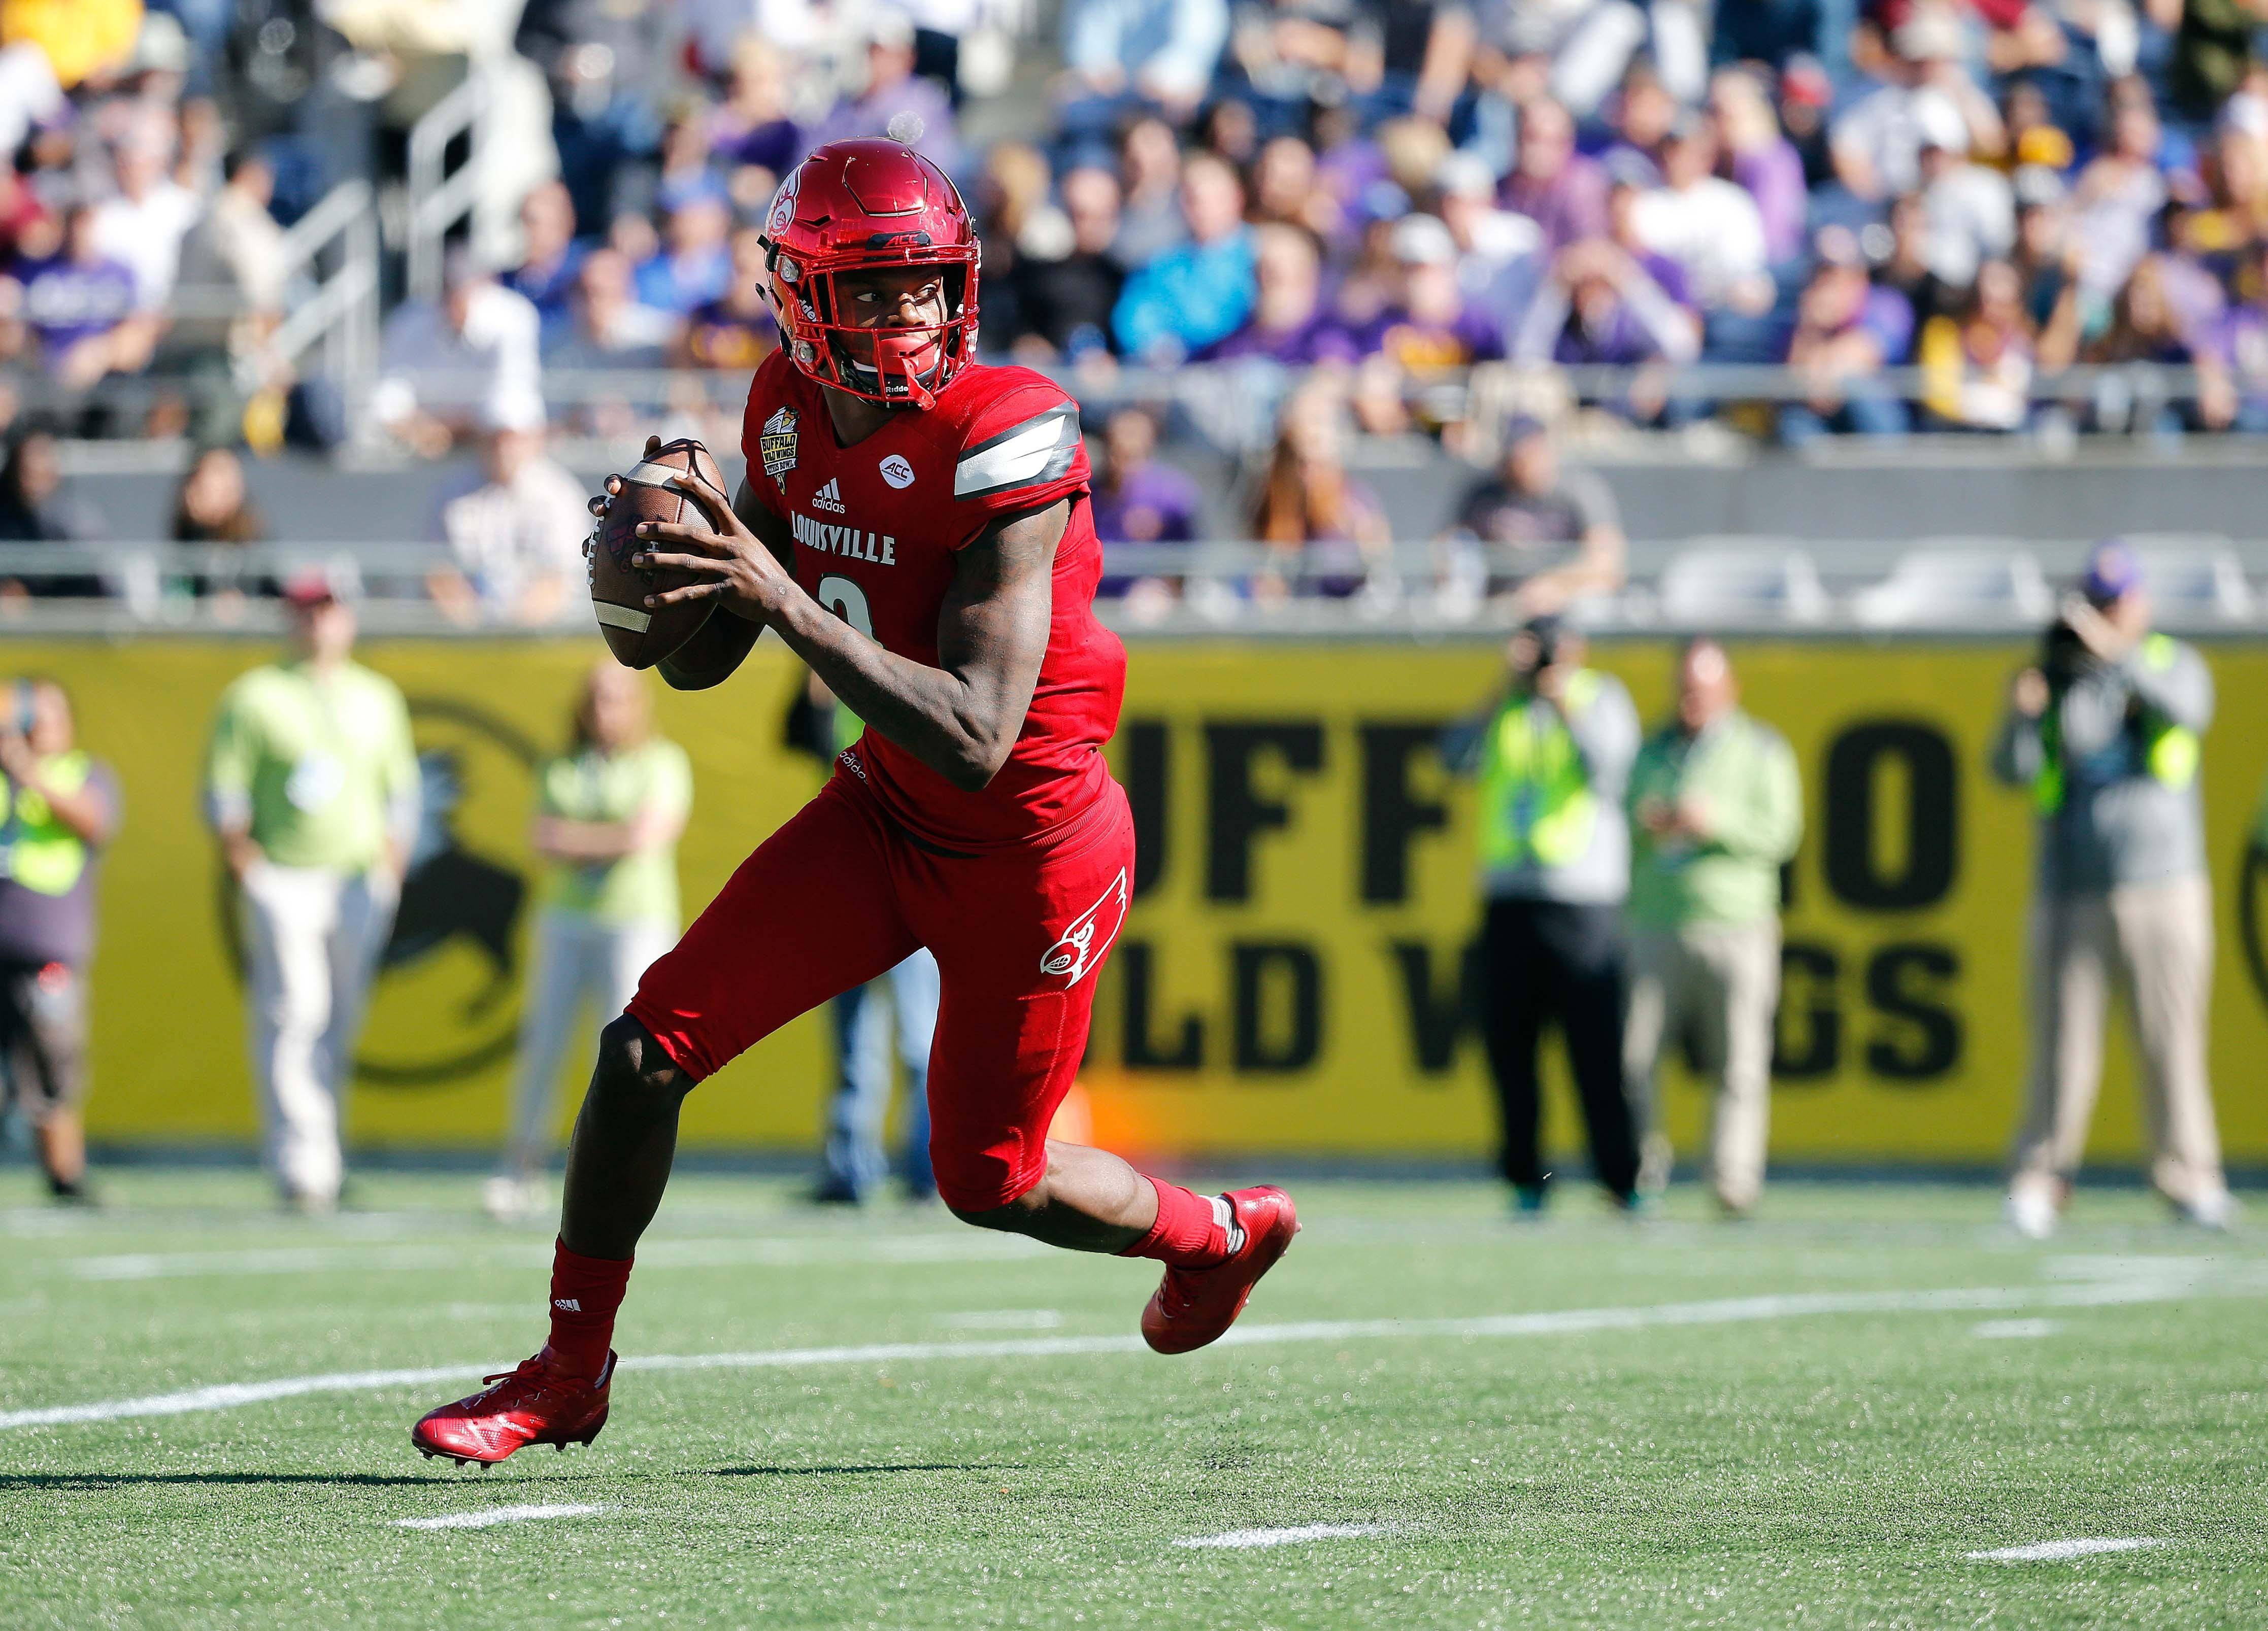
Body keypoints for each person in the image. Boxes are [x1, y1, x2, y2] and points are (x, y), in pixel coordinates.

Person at [412, 140, 1299, 1466]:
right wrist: (679, 566)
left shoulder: (1009, 429)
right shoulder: (781, 407)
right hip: (884, 812)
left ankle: (1216, 1235)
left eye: (927, 284)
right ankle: (567, 1369)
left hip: (1032, 852)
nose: (911, 313)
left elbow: (978, 734)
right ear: (801, 298)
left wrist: (769, 589)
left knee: (989, 1180)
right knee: (644, 1050)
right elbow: (703, 662)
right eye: (875, 289)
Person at [1990, 542, 2235, 1238]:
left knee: (2172, 1043)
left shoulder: (2170, 661)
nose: (2101, 616)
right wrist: (2023, 712)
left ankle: (2191, 1178)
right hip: (2072, 887)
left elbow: (2188, 712)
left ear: (2140, 604)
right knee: (2062, 1046)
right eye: (2094, 604)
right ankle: (2039, 1178)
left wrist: (2115, 653)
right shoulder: (2057, 676)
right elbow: (2009, 770)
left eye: (2113, 602)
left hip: (2164, 884)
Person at [204, 575, 419, 1213]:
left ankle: (325, 1154)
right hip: (285, 877)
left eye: (328, 609)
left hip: (357, 881)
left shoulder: (377, 696)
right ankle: (302, 1164)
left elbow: (401, 793)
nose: (318, 622)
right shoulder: (254, 694)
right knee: (293, 1014)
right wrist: (249, 867)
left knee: (338, 1021)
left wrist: (389, 869)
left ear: (347, 618)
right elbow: (225, 791)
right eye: (306, 610)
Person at [1445, 616, 1643, 1216]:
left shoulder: (1599, 696)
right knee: (1511, 1051)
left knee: (1596, 1052)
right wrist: (1501, 687)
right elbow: (1453, 759)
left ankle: (1621, 1178)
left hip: (1582, 900)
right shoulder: (1506, 703)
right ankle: (1525, 1178)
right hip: (1509, 899)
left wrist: (1562, 703)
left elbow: (1612, 771)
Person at [486, 664, 691, 1222]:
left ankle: (622, 1178)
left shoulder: (662, 761)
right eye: (598, 698)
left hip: (635, 923)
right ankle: (521, 1168)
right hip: (564, 922)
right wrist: (612, 838)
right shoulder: (562, 765)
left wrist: (578, 840)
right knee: (543, 1048)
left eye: (618, 698)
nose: (606, 709)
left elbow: (646, 835)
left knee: (633, 1060)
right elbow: (544, 837)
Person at [1621, 640, 1802, 1215]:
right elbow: (1623, 819)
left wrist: (1713, 823)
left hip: (1738, 923)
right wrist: (1653, 821)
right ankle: (1637, 1175)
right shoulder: (1651, 750)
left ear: (1730, 689)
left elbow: (1781, 833)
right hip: (1657, 920)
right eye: (1684, 689)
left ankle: (1733, 1179)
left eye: (1701, 689)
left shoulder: (1761, 748)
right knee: (1634, 1059)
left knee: (1740, 1062)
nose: (1690, 700)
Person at [0, 678, 119, 1202]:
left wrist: (28, 774)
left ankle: (65, 1176)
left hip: (45, 950)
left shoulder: (84, 773)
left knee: (52, 1068)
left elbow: (94, 820)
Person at [425, 398, 593, 627]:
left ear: (535, 439)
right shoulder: (452, 491)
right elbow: (438, 570)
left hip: (548, 633)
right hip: (465, 633)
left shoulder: (561, 495)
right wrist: (472, 629)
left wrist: (512, 633)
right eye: (494, 439)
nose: (503, 449)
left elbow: (558, 580)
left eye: (513, 439)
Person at [1447, 416, 1628, 614]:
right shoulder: (1485, 494)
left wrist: (1555, 585)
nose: (1523, 461)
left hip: (1566, 598)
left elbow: (1608, 564)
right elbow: (1447, 546)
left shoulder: (1580, 489)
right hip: (1503, 602)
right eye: (1516, 454)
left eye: (1531, 452)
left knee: (1593, 603)